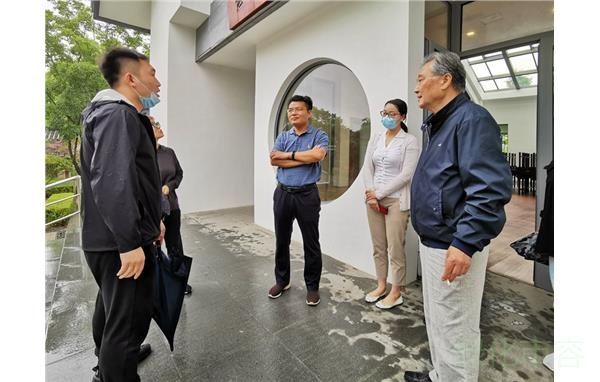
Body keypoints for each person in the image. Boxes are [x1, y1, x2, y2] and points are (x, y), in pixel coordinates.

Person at [404, 51, 512, 382]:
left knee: (456, 325)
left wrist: (465, 243)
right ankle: (441, 375)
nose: (416, 88)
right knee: (439, 319)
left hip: (454, 244)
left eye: (421, 79)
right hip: (435, 241)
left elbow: (488, 190)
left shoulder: (472, 120)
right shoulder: (440, 124)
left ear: (445, 79)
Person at [80, 47, 164, 382]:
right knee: (126, 324)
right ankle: (116, 368)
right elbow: (113, 180)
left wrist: (151, 220)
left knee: (111, 309)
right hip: (119, 243)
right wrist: (130, 243)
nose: (158, 83)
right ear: (131, 78)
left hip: (108, 239)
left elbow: (133, 180)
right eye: (152, 74)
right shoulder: (118, 115)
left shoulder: (108, 113)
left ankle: (108, 361)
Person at [268, 95, 329, 306]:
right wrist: (302, 156)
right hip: (283, 194)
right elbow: (273, 159)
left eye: (298, 109)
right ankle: (282, 281)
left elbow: (317, 156)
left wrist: (289, 157)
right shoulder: (283, 136)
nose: (293, 112)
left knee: (311, 243)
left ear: (309, 113)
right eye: (290, 109)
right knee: (281, 240)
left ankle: (312, 287)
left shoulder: (319, 135)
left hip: (307, 196)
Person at [363, 99, 419, 309]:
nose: (387, 117)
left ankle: (396, 291)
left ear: (403, 116)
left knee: (395, 248)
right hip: (373, 198)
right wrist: (371, 193)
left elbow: (406, 175)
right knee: (378, 247)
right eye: (385, 113)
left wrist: (378, 194)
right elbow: (368, 167)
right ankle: (380, 286)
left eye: (392, 114)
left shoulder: (410, 141)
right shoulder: (376, 138)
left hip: (397, 200)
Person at [150, 117, 192, 295]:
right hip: (152, 208)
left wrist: (170, 186)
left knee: (175, 243)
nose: (159, 126)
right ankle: (157, 283)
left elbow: (179, 174)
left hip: (172, 205)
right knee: (154, 245)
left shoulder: (169, 152)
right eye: (155, 125)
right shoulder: (142, 155)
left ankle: (179, 280)